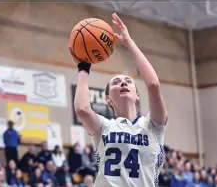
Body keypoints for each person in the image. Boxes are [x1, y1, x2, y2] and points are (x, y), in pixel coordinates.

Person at [70, 13, 168, 187]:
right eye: (116, 82)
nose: (123, 82)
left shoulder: (153, 126)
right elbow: (82, 109)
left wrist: (129, 43)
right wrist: (83, 67)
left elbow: (153, 84)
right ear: (108, 98)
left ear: (137, 94)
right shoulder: (105, 127)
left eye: (128, 81)